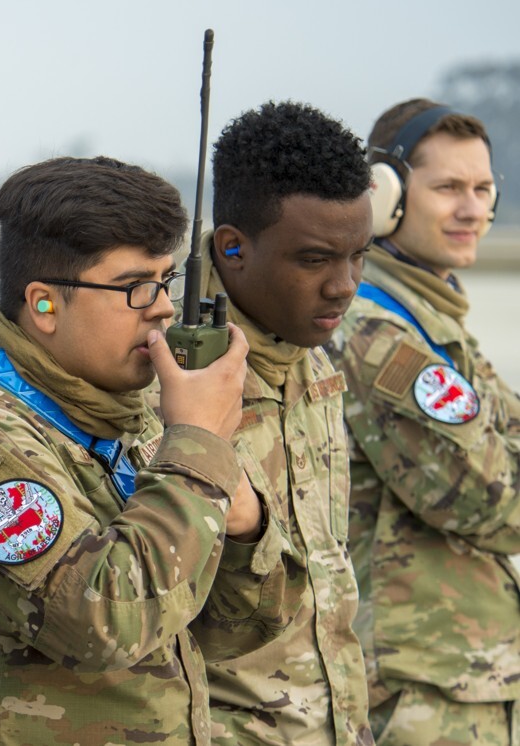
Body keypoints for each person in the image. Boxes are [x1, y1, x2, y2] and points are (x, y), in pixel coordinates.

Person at [0, 155, 289, 745]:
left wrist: (243, 517)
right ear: (45, 305)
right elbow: (103, 622)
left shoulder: (136, 420)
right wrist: (197, 455)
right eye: (133, 287)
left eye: (166, 280)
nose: (163, 308)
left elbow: (246, 625)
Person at [324, 99, 519, 745]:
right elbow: (491, 500)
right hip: (417, 688)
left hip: (455, 674)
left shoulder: (430, 320)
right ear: (387, 196)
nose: (473, 210)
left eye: (483, 189)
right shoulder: (379, 331)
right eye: (449, 189)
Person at [191, 101, 374, 745]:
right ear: (232, 248)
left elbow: (328, 583)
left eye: (360, 255)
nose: (345, 285)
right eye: (315, 259)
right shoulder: (174, 380)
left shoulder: (311, 363)